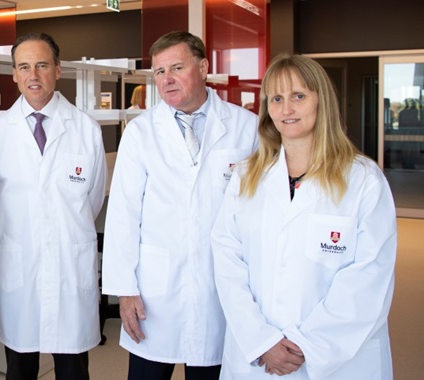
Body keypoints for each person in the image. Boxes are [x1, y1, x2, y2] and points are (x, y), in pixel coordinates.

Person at [211, 54, 396, 379]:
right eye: (277, 99)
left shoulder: (364, 180)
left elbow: (369, 277)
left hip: (335, 359)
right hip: (258, 353)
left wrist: (304, 344)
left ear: (321, 101)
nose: (286, 109)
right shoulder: (246, 176)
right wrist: (262, 340)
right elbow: (227, 262)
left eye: (298, 96)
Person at [101, 31, 258, 380]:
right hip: (156, 290)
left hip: (222, 285)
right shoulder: (141, 132)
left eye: (176, 68)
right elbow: (124, 215)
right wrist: (125, 290)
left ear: (202, 67)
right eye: (158, 72)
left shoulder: (246, 128)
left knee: (210, 369)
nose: (166, 80)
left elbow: (259, 212)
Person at [0, 32, 107, 380]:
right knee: (20, 367)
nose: (33, 75)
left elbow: (92, 199)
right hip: (20, 262)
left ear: (57, 69)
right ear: (14, 74)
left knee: (72, 368)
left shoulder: (85, 128)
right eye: (24, 67)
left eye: (41, 65)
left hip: (71, 264)